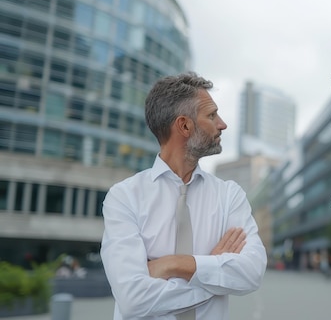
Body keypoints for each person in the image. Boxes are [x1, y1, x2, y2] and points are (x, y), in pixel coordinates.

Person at [101, 72, 267, 319]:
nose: (222, 124)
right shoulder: (124, 197)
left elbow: (251, 272)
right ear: (184, 125)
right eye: (211, 115)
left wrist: (174, 264)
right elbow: (133, 300)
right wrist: (211, 270)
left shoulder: (230, 196)